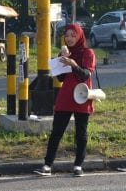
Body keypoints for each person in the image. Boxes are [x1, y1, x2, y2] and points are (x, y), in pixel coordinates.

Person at [35, 23, 96, 177]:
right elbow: (61, 78)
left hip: (82, 95)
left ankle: (78, 165)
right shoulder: (66, 53)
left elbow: (86, 75)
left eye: (73, 35)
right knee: (57, 131)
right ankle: (48, 165)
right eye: (67, 35)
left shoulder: (88, 53)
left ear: (79, 36)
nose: (69, 38)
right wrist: (60, 60)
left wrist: (73, 64)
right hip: (66, 96)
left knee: (81, 133)